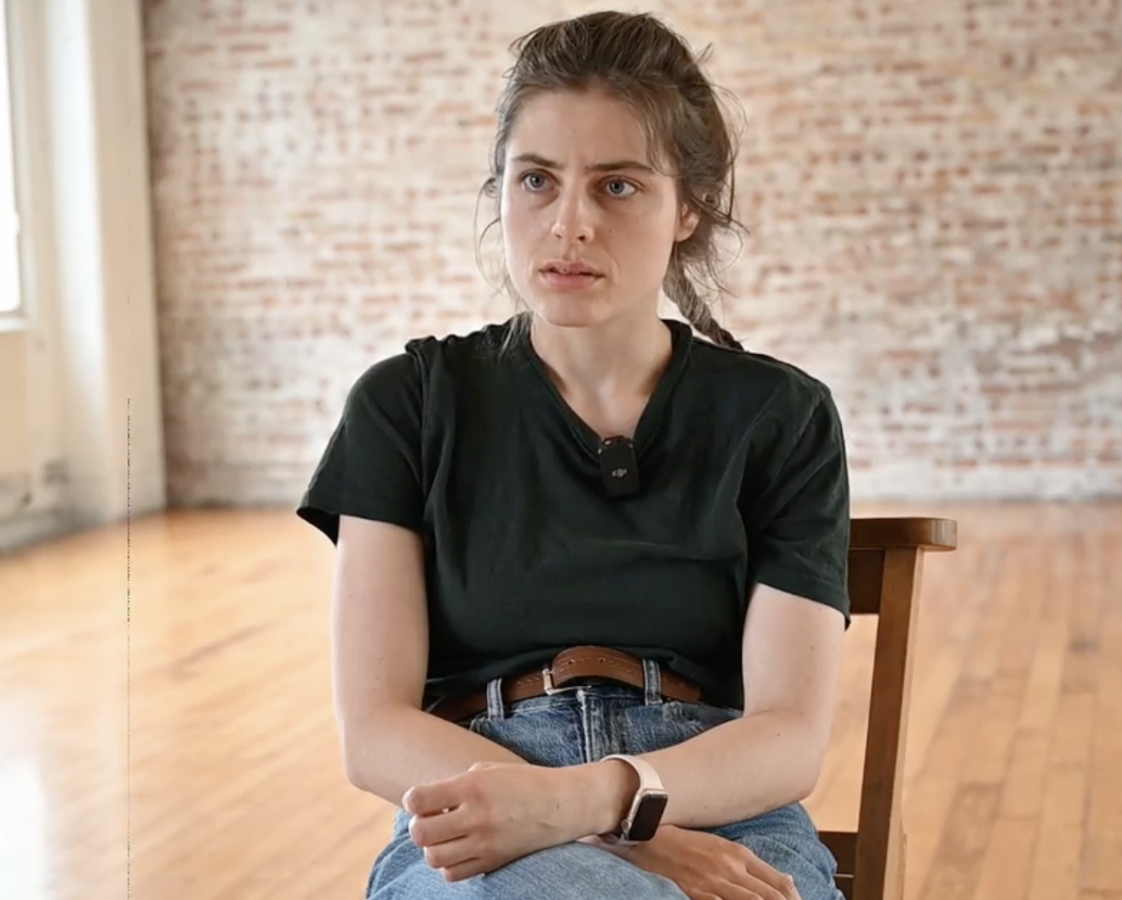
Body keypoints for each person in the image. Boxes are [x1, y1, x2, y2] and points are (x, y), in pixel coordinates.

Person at [297, 10, 851, 900]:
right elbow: (376, 731)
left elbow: (790, 732)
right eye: (538, 181)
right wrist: (623, 838)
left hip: (717, 803)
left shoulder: (780, 418)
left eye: (618, 186)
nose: (569, 224)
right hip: (480, 796)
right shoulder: (408, 404)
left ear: (689, 208)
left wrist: (598, 807)